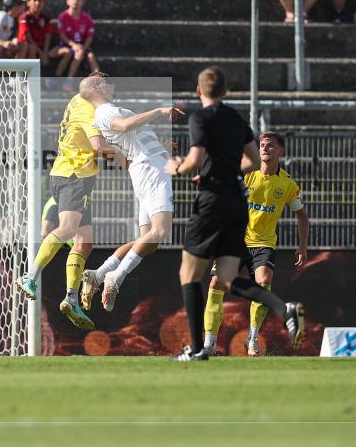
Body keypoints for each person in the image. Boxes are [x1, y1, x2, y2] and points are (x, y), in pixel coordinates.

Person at [164, 67, 305, 361]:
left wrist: (177, 167)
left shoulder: (200, 118)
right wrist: (225, 169)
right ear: (226, 91)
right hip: (237, 204)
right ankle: (284, 309)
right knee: (226, 279)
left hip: (213, 200)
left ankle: (197, 348)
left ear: (198, 91)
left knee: (187, 274)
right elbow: (253, 161)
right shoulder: (237, 120)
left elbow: (195, 159)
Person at [15, 78, 120, 330]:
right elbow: (98, 146)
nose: (111, 97)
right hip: (75, 176)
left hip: (70, 174)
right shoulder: (87, 107)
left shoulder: (77, 101)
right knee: (67, 229)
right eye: (109, 91)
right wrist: (129, 157)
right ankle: (29, 276)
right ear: (96, 88)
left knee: (84, 242)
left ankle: (71, 298)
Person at [80, 73, 182, 311]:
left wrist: (162, 147)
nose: (110, 84)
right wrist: (159, 110)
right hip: (151, 169)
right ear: (96, 87)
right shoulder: (105, 112)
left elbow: (127, 143)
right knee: (161, 230)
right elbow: (124, 126)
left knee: (149, 242)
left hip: (144, 167)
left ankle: (98, 274)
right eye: (104, 81)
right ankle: (116, 278)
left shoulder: (105, 112)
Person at [202, 131, 309, 356]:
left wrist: (302, 246)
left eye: (270, 145)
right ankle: (210, 343)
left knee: (263, 282)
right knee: (215, 285)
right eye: (261, 145)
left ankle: (252, 339)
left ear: (281, 151)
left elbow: (302, 216)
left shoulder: (288, 184)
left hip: (263, 243)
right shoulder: (247, 175)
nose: (264, 149)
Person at [54, 0, 100, 80]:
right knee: (71, 53)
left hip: (82, 46)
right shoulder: (63, 17)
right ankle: (64, 79)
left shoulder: (87, 18)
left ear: (82, 1)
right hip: (67, 44)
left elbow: (90, 36)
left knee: (91, 56)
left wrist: (84, 46)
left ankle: (99, 80)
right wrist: (74, 45)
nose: (76, 0)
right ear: (67, 1)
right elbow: (62, 35)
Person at [17, 0, 53, 67]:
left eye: (40, 1)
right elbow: (27, 37)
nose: (38, 3)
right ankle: (18, 75)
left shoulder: (45, 18)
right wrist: (41, 53)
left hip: (41, 47)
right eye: (35, 0)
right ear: (28, 3)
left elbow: (48, 36)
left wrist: (45, 53)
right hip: (25, 45)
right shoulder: (24, 17)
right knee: (31, 48)